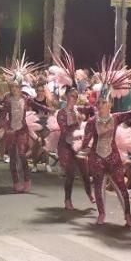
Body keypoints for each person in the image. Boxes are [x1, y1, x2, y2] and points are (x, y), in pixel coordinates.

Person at [81, 55, 131, 227]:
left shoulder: (116, 118)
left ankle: (128, 215)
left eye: (103, 103)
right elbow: (86, 141)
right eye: (98, 103)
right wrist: (82, 150)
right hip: (96, 157)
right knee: (99, 186)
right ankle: (101, 214)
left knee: (121, 188)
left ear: (109, 104)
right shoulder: (91, 122)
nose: (100, 105)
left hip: (113, 157)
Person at [47, 48, 94, 209]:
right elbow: (65, 130)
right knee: (70, 174)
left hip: (77, 145)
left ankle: (90, 193)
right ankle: (67, 200)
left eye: (76, 96)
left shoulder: (77, 110)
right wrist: (76, 124)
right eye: (72, 96)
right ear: (67, 97)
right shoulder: (62, 112)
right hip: (65, 145)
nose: (75, 98)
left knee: (85, 173)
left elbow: (91, 110)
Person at [0, 56, 49, 193]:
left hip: (22, 130)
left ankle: (27, 180)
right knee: (13, 157)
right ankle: (15, 181)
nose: (14, 89)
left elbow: (38, 105)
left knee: (22, 155)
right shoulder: (8, 100)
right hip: (11, 131)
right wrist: (1, 127)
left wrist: (51, 110)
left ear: (20, 87)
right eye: (12, 87)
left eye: (16, 87)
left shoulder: (26, 99)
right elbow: (3, 114)